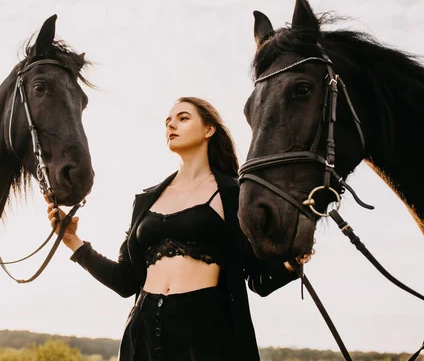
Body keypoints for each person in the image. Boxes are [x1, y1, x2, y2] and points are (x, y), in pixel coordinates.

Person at [46, 97, 313, 360]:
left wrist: (291, 262)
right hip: (143, 330)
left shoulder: (235, 194)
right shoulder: (145, 200)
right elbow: (125, 281)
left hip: (206, 333)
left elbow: (258, 279)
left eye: (183, 118)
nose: (171, 125)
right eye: (168, 121)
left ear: (209, 129)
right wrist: (74, 243)